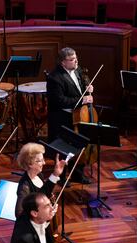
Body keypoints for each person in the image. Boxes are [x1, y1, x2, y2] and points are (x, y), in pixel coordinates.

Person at [46, 47, 93, 184]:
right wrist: (82, 100)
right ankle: (61, 177)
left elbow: (80, 89)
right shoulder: (55, 78)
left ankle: (78, 175)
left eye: (76, 57)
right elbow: (60, 101)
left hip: (77, 116)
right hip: (62, 118)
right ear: (63, 63)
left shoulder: (77, 70)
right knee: (64, 149)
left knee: (79, 146)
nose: (76, 61)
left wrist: (87, 89)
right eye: (72, 59)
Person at [15, 143, 66, 218]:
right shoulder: (24, 187)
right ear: (30, 164)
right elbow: (19, 214)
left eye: (43, 159)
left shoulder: (39, 175)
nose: (44, 163)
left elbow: (44, 192)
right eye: (40, 161)